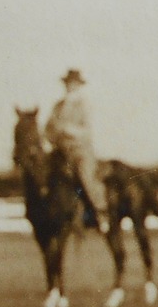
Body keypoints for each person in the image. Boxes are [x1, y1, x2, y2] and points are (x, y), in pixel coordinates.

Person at [45, 69, 110, 233]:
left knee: (85, 175)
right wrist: (51, 135)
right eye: (68, 84)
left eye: (73, 84)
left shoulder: (84, 105)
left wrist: (69, 130)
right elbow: (48, 128)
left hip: (80, 150)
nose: (70, 87)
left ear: (79, 86)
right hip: (60, 150)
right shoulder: (58, 106)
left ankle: (101, 212)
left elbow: (87, 130)